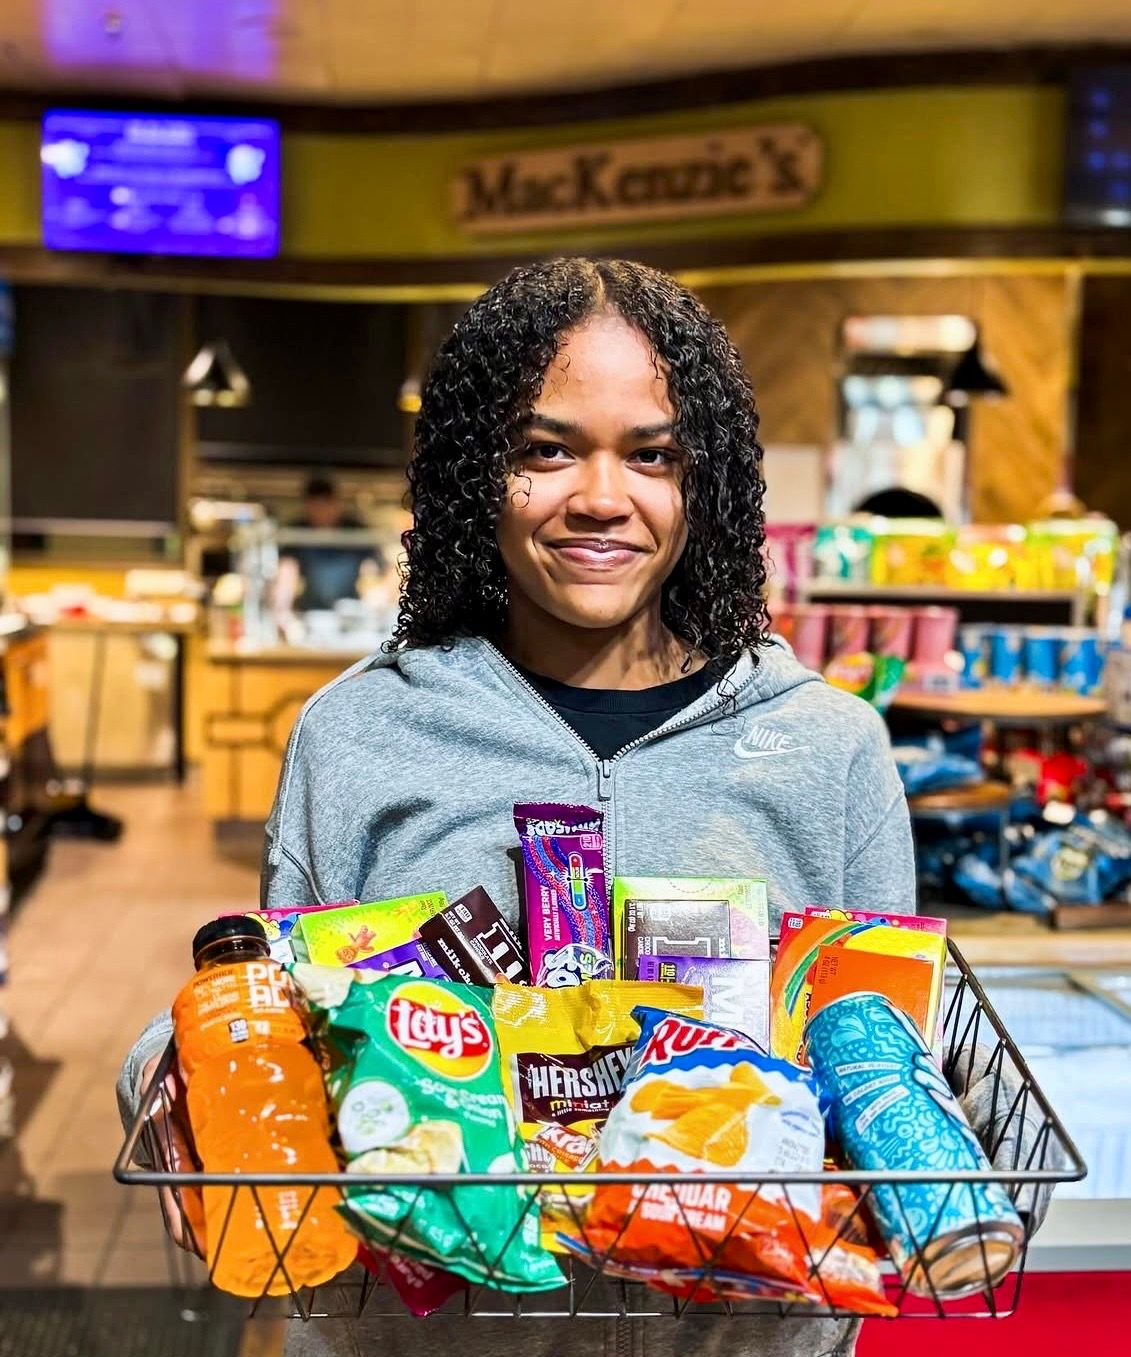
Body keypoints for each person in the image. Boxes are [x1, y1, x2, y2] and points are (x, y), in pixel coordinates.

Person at [119, 258, 1042, 1357]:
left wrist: (965, 1132)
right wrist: (181, 1075)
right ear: (477, 473)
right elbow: (287, 1022)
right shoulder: (358, 733)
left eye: (653, 454)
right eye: (545, 449)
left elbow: (890, 1045)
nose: (602, 496)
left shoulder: (827, 745)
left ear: (705, 485)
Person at [274, 474, 382, 614]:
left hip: (350, 612)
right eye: (315, 506)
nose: (321, 512)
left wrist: (379, 594)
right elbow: (287, 569)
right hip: (310, 612)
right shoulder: (298, 532)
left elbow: (381, 569)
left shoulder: (355, 531)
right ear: (307, 506)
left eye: (325, 504)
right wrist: (281, 608)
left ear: (336, 503)